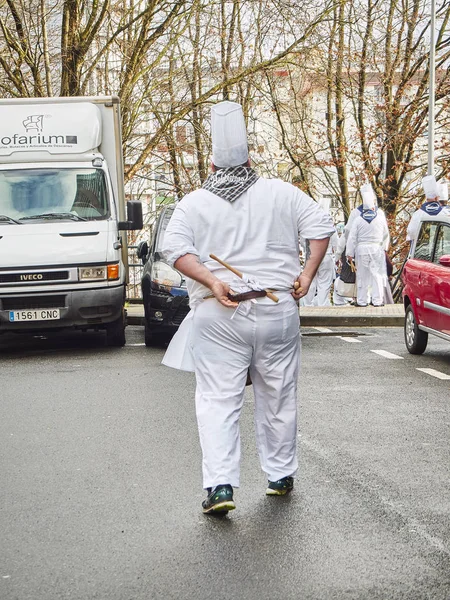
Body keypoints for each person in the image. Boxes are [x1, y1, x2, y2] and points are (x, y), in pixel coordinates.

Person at [161, 101, 335, 515]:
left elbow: (174, 250)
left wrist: (211, 280)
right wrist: (307, 275)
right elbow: (322, 228)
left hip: (219, 314)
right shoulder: (280, 192)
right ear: (250, 157)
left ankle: (220, 487)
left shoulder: (194, 202)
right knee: (278, 395)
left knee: (218, 400)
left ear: (214, 165)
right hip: (277, 310)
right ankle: (280, 475)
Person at [346, 183, 390, 307]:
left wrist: (350, 253)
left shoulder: (358, 220)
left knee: (362, 276)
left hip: (362, 249)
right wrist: (385, 248)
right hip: (377, 248)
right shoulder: (380, 218)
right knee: (377, 275)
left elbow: (352, 238)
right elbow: (386, 234)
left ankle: (362, 300)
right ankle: (377, 300)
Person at [301, 198, 338, 306]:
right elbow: (336, 242)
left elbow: (303, 241)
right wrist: (336, 254)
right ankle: (322, 304)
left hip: (311, 256)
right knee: (324, 282)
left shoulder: (309, 224)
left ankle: (307, 303)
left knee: (310, 280)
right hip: (326, 256)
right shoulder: (329, 225)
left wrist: (308, 251)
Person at [406, 176, 449, 254]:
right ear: (437, 198)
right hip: (442, 255)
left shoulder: (418, 214)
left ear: (426, 198)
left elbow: (411, 233)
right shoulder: (445, 213)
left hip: (421, 255)